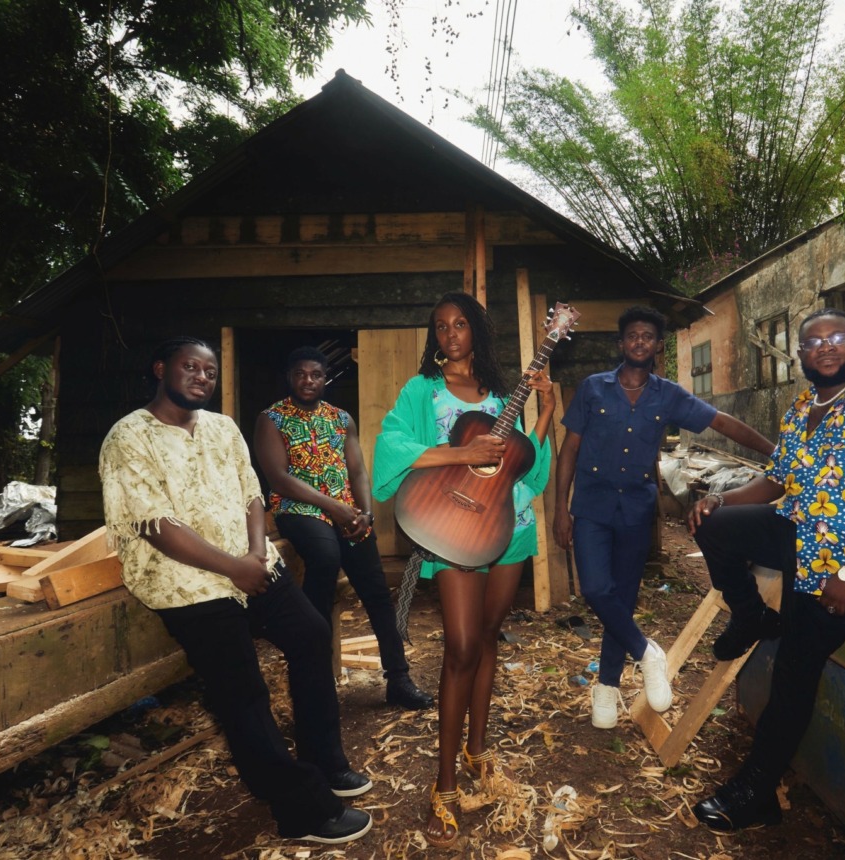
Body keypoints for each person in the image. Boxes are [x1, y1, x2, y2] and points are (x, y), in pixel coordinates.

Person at [98, 336, 373, 845]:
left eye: (209, 371)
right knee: (242, 689)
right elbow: (155, 524)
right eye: (190, 366)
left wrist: (254, 555)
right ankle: (300, 809)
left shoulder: (222, 428)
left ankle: (325, 761)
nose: (202, 377)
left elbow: (251, 494)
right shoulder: (128, 437)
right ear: (160, 369)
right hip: (186, 582)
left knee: (312, 635)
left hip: (251, 564)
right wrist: (232, 569)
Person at [687, 308, 845, 831]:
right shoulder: (803, 406)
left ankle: (757, 790)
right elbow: (777, 481)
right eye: (813, 341)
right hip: (804, 534)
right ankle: (751, 616)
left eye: (837, 337)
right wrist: (720, 499)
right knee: (715, 527)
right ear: (799, 355)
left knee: (795, 667)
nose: (826, 347)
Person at [371, 292, 555, 848]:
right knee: (460, 647)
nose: (450, 334)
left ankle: (477, 750)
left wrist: (547, 410)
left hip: (509, 527)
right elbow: (392, 447)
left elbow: (526, 468)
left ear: (477, 330)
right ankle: (444, 785)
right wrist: (462, 455)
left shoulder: (501, 392)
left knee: (489, 637)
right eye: (441, 326)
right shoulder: (421, 390)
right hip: (452, 529)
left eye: (460, 324)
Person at [553, 305, 775, 731]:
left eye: (648, 336)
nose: (639, 341)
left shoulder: (668, 395)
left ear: (658, 346)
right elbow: (569, 450)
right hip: (592, 507)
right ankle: (646, 651)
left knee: (622, 597)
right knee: (596, 589)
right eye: (632, 335)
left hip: (636, 510)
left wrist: (776, 453)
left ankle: (606, 687)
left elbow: (721, 422)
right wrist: (560, 508)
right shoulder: (593, 388)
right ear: (621, 343)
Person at [254, 346, 434, 711]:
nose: (308, 380)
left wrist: (365, 513)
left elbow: (357, 471)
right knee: (325, 557)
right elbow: (278, 478)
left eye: (315, 375)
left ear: (325, 379)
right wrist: (334, 507)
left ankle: (399, 679)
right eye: (300, 374)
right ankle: (316, 676)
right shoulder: (271, 418)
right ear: (289, 377)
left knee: (376, 592)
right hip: (299, 508)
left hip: (347, 511)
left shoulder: (340, 418)